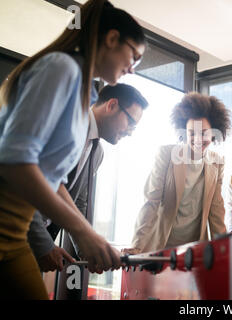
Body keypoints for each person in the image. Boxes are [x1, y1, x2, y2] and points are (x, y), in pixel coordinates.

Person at [0, 0, 145, 299]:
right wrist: (82, 232)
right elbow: (15, 159)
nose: (132, 68)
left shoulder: (81, 92)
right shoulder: (61, 68)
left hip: (14, 231)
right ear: (112, 39)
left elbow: (53, 180)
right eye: (134, 55)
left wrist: (93, 239)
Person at [28, 83, 148, 273]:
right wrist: (43, 245)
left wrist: (88, 250)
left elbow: (79, 204)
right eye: (131, 123)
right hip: (16, 229)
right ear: (111, 105)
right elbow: (28, 188)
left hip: (38, 241)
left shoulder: (96, 152)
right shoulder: (67, 126)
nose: (130, 132)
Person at [124, 92, 231, 254]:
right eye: (192, 133)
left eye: (203, 133)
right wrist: (137, 245)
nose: (197, 139)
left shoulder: (217, 162)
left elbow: (216, 210)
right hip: (160, 245)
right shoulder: (166, 155)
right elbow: (151, 201)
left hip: (192, 251)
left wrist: (225, 251)